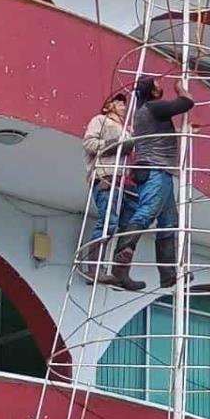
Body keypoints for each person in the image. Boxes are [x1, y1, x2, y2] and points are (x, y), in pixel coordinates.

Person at [106, 75, 194, 291]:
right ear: (152, 92)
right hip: (156, 169)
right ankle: (121, 259)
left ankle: (168, 273)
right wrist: (180, 88)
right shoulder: (154, 108)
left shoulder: (143, 112)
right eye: (157, 85)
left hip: (151, 169)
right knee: (147, 212)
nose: (160, 87)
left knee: (169, 221)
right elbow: (187, 103)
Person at [80, 92, 136, 286]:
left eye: (123, 102)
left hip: (123, 180)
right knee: (109, 222)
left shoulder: (127, 129)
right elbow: (89, 143)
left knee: (126, 224)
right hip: (106, 177)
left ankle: (118, 271)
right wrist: (114, 144)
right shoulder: (100, 120)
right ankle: (94, 267)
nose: (122, 104)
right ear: (107, 106)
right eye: (117, 101)